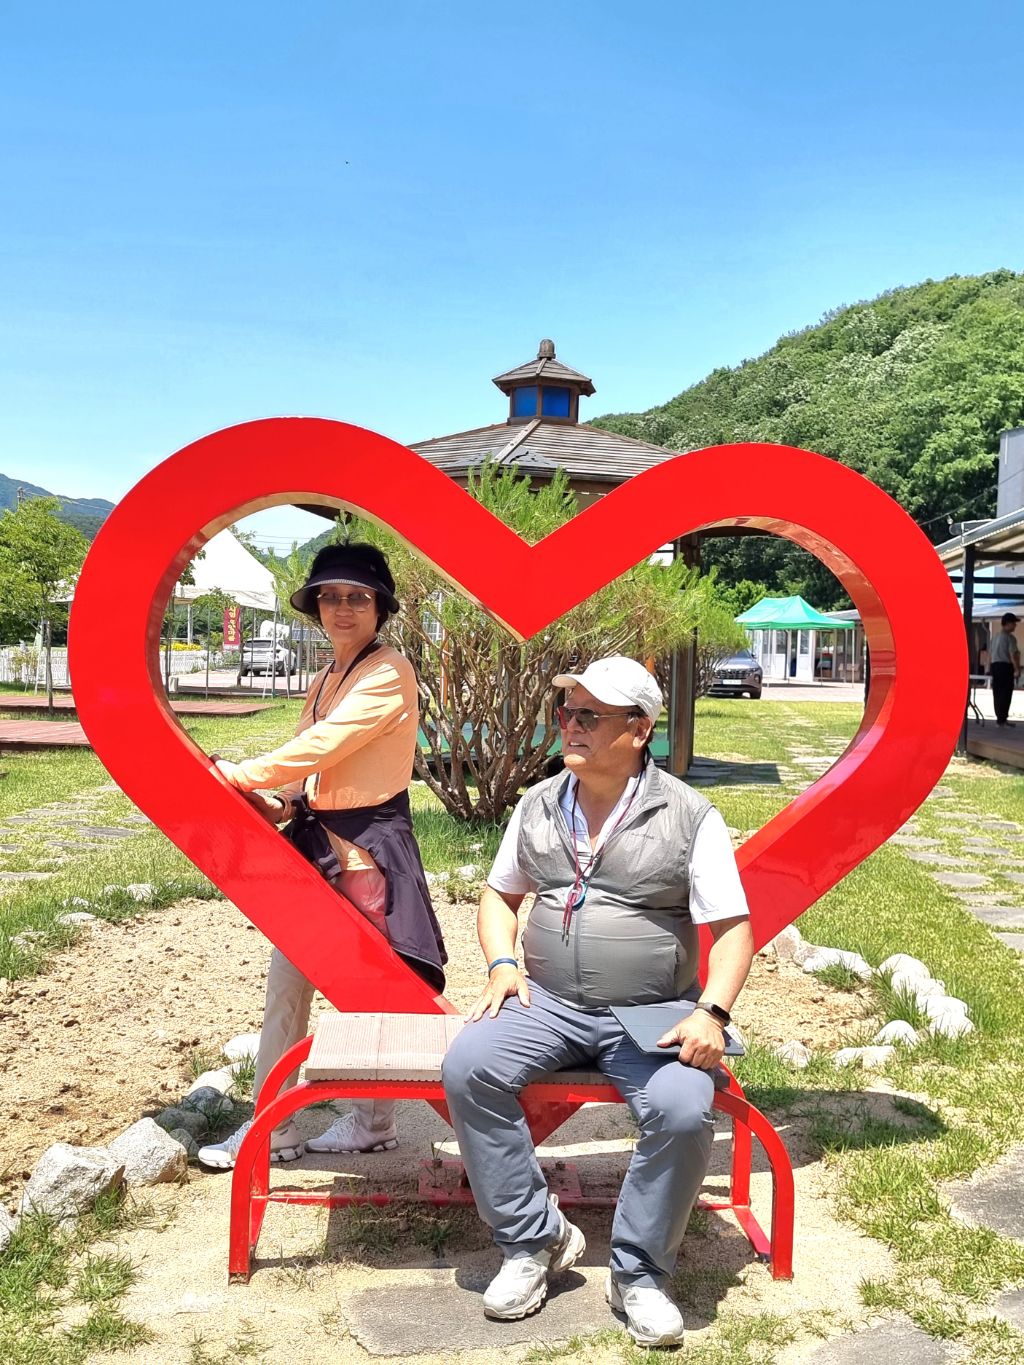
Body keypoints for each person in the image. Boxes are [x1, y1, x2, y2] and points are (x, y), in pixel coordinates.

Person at [441, 656, 753, 1349]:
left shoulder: (688, 816)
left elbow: (734, 930)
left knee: (682, 1107)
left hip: (651, 1012)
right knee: (469, 1066)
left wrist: (711, 1013)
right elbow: (500, 895)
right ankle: (534, 1239)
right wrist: (501, 962)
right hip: (549, 1000)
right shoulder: (538, 803)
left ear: (639, 731)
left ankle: (638, 1274)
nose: (571, 726)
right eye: (567, 712)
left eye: (590, 715)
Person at [198, 543, 447, 1169]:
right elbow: (312, 764)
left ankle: (350, 1122)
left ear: (379, 608)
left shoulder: (387, 671)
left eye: (358, 597)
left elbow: (325, 743)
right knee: (295, 983)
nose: (342, 608)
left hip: (363, 852)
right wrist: (283, 799)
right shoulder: (330, 675)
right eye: (330, 596)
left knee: (369, 988)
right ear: (315, 606)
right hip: (320, 846)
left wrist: (243, 775)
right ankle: (287, 1124)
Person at [989, 612, 1021, 728]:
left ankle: (1000, 719)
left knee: (997, 693)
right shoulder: (1010, 638)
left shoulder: (995, 637)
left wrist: (988, 668)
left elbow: (990, 654)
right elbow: (1013, 654)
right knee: (1006, 694)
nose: (1015, 625)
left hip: (995, 666)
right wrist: (1017, 669)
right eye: (1013, 623)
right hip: (1005, 667)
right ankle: (1002, 719)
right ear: (1007, 623)